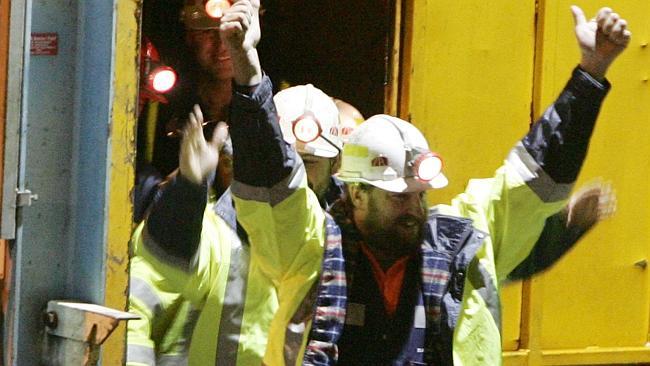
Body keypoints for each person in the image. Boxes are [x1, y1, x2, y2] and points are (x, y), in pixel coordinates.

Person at [210, 3, 630, 365]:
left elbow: (532, 178)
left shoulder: (463, 240)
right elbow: (270, 179)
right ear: (357, 192)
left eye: (418, 194)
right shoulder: (310, 248)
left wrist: (591, 73)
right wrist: (246, 67)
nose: (412, 206)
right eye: (397, 196)